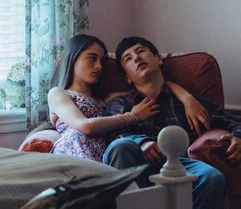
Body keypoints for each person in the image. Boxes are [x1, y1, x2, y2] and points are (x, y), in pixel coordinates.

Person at [103, 36, 241, 209]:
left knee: (212, 178)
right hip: (138, 161)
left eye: (141, 51)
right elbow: (112, 135)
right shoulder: (122, 103)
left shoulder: (189, 102)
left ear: (158, 59)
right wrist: (140, 142)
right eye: (128, 58)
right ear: (128, 78)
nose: (136, 58)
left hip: (181, 163)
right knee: (121, 146)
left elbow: (239, 124)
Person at [48, 34, 211, 162]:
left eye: (102, 61)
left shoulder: (106, 100)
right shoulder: (58, 94)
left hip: (106, 157)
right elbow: (85, 126)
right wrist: (132, 117)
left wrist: (187, 98)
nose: (99, 66)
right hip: (75, 153)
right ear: (73, 57)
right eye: (92, 58)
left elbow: (153, 89)